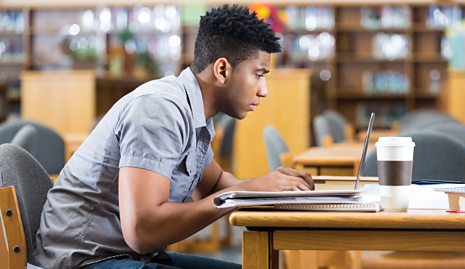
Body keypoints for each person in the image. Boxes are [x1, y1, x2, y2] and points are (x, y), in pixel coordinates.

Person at [32, 5, 313, 269]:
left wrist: (268, 191)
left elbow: (213, 183)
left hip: (126, 255)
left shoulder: (195, 112)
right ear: (223, 70)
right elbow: (142, 230)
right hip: (86, 260)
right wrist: (244, 193)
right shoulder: (160, 109)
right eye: (259, 75)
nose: (264, 90)